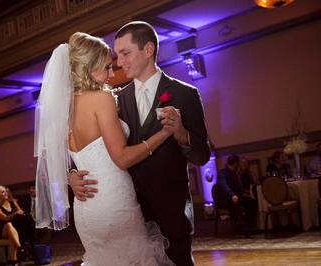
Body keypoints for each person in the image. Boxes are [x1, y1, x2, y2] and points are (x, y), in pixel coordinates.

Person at [69, 21, 210, 265]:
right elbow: (92, 143)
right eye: (116, 55)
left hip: (170, 211)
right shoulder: (114, 99)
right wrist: (73, 174)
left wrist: (180, 133)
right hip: (124, 210)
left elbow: (202, 155)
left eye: (125, 53)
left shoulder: (185, 93)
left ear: (148, 50)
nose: (119, 62)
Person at [34, 32, 175, 265]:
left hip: (86, 208)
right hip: (114, 202)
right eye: (106, 67)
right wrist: (164, 133)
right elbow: (121, 158)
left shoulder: (62, 109)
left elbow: (60, 158)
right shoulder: (100, 99)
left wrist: (70, 175)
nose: (113, 73)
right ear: (88, 68)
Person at [216, 155, 257, 235]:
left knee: (251, 202)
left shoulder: (234, 173)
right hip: (226, 199)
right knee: (235, 206)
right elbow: (224, 186)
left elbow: (238, 187)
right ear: (236, 163)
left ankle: (249, 226)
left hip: (235, 197)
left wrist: (243, 193)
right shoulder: (222, 173)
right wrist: (232, 195)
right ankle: (243, 229)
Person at [0, 186, 33, 262]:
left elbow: (21, 212)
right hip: (4, 230)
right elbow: (5, 218)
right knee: (9, 224)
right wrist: (15, 213)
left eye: (6, 191)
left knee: (21, 226)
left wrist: (18, 210)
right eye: (3, 192)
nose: (6, 193)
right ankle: (20, 247)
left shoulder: (12, 202)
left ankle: (15, 259)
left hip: (16, 228)